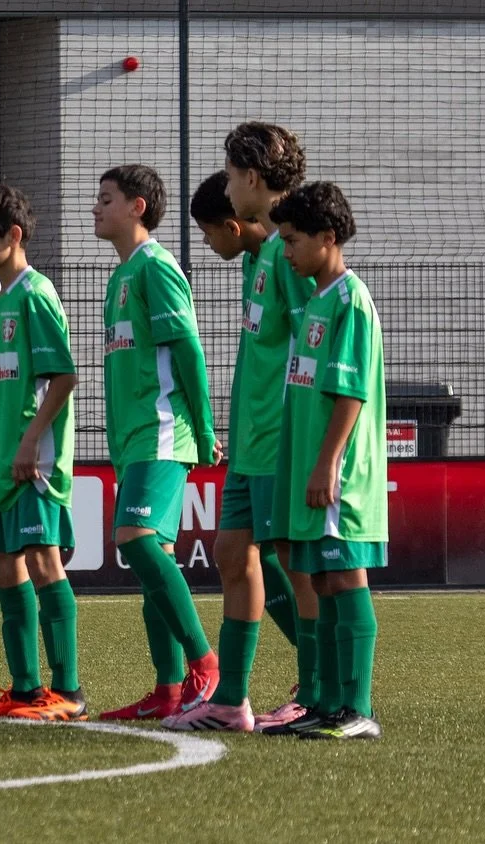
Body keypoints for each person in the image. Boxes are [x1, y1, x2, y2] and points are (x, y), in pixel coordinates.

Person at [165, 159, 313, 733]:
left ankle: (318, 690)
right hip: (251, 444)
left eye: (229, 175)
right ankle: (231, 701)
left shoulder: (289, 254)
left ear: (249, 184)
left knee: (298, 565)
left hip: (280, 439)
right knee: (232, 553)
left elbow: (307, 349)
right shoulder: (260, 256)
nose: (224, 185)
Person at [92, 165, 222, 721]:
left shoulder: (157, 267)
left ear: (137, 207)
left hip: (165, 430)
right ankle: (168, 690)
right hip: (134, 437)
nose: (95, 208)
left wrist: (209, 427)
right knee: (154, 556)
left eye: (106, 199)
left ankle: (204, 661)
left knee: (135, 540)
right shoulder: (119, 277)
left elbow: (188, 351)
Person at [0, 186, 85, 720]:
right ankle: (27, 689)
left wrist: (31, 440)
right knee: (3, 564)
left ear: (13, 236)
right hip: (4, 461)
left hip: (35, 461)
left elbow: (63, 376)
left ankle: (69, 691)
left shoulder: (35, 294)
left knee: (43, 561)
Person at [269, 181, 384, 740]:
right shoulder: (315, 299)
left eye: (292, 241)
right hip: (310, 466)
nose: (285, 252)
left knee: (343, 574)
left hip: (339, 471)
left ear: (327, 237)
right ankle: (331, 704)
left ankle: (358, 709)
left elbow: (351, 393)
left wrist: (327, 464)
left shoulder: (349, 299)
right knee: (321, 577)